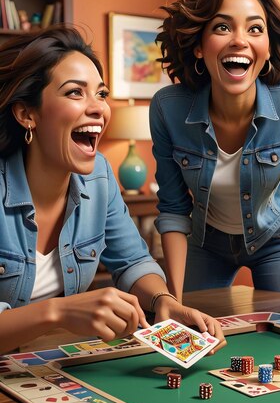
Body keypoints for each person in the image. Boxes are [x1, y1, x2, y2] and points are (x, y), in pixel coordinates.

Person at [0, 26, 225, 355]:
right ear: (26, 114)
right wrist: (59, 312)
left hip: (40, 365)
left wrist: (163, 301)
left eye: (101, 94)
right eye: (75, 93)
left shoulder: (99, 175)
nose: (98, 109)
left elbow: (132, 260)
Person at [150, 0, 280, 327]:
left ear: (267, 50)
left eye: (255, 29)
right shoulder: (167, 108)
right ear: (198, 44)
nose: (240, 40)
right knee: (194, 333)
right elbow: (174, 210)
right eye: (223, 27)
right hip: (205, 242)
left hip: (277, 239)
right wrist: (173, 302)